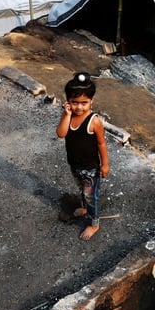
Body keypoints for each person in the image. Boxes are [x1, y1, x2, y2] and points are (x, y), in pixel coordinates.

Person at [55, 72, 109, 241]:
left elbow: (101, 144)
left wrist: (105, 164)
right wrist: (67, 115)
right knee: (82, 191)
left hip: (91, 168)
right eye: (74, 103)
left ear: (91, 101)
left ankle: (94, 223)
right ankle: (85, 209)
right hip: (75, 164)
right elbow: (61, 133)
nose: (79, 107)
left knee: (91, 196)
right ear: (68, 102)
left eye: (84, 103)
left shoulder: (94, 122)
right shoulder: (68, 116)